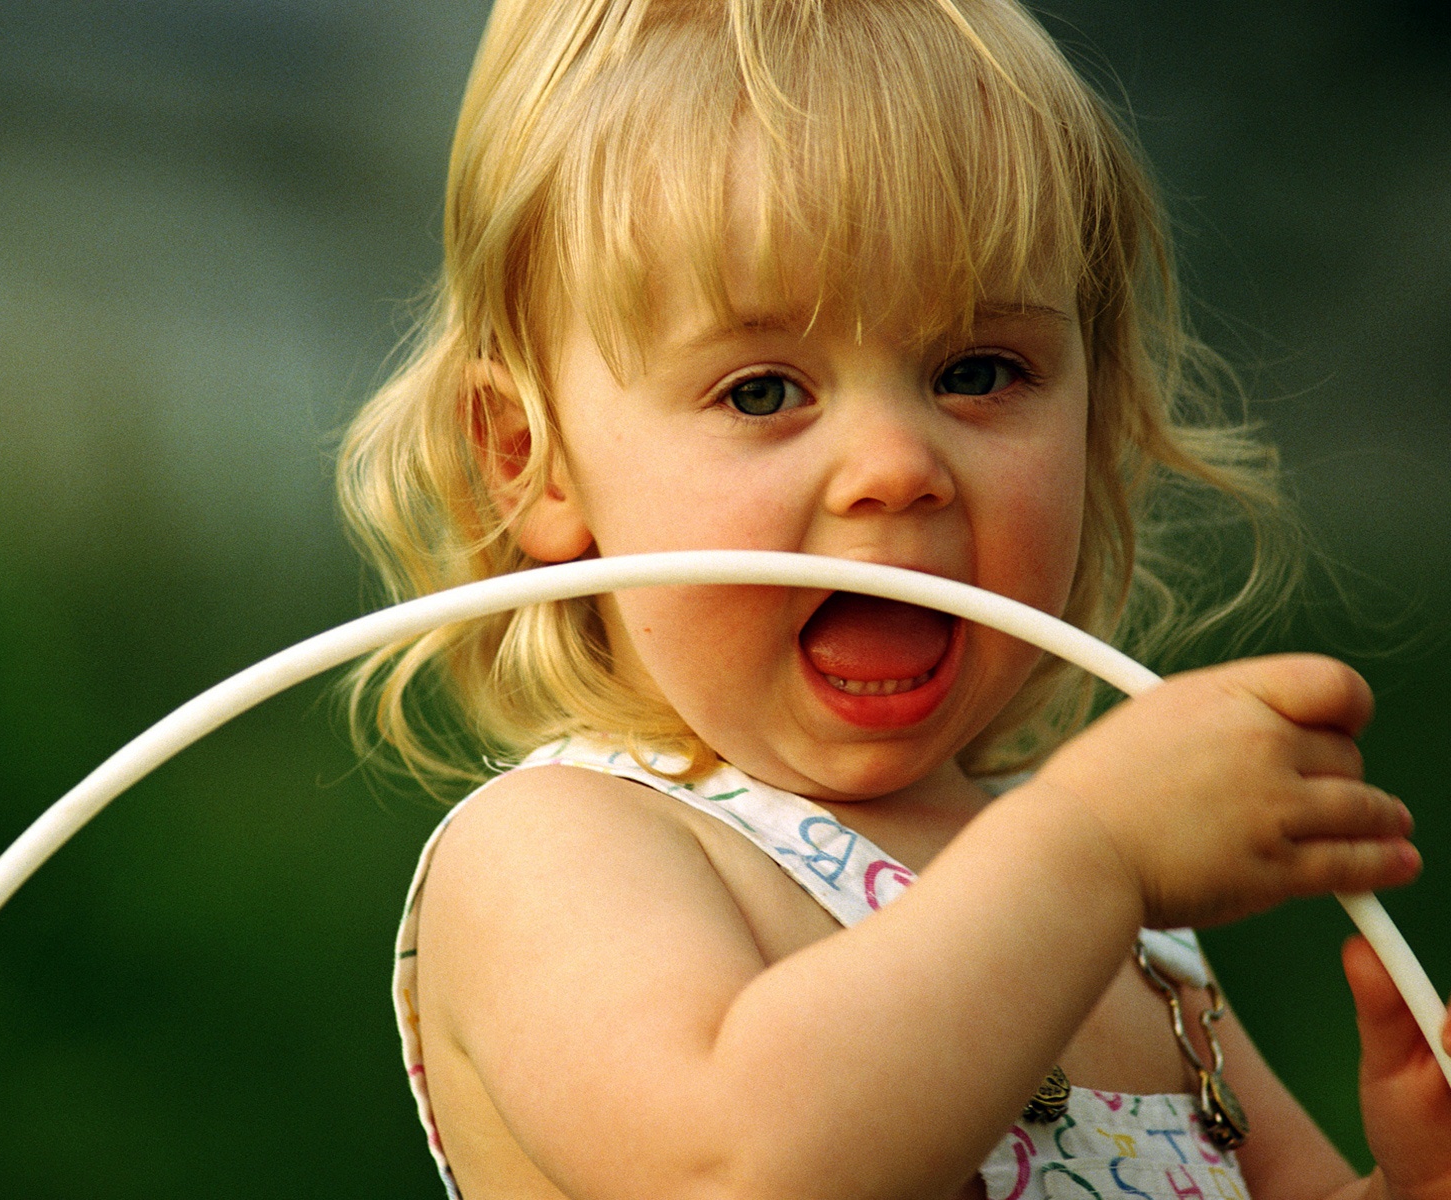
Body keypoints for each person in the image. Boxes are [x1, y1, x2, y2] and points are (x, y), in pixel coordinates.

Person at [337, 1, 1451, 1197]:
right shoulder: (560, 853)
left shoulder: (1130, 935)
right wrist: (1087, 849)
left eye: (978, 373)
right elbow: (734, 1169)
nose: (894, 468)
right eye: (763, 392)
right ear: (530, 462)